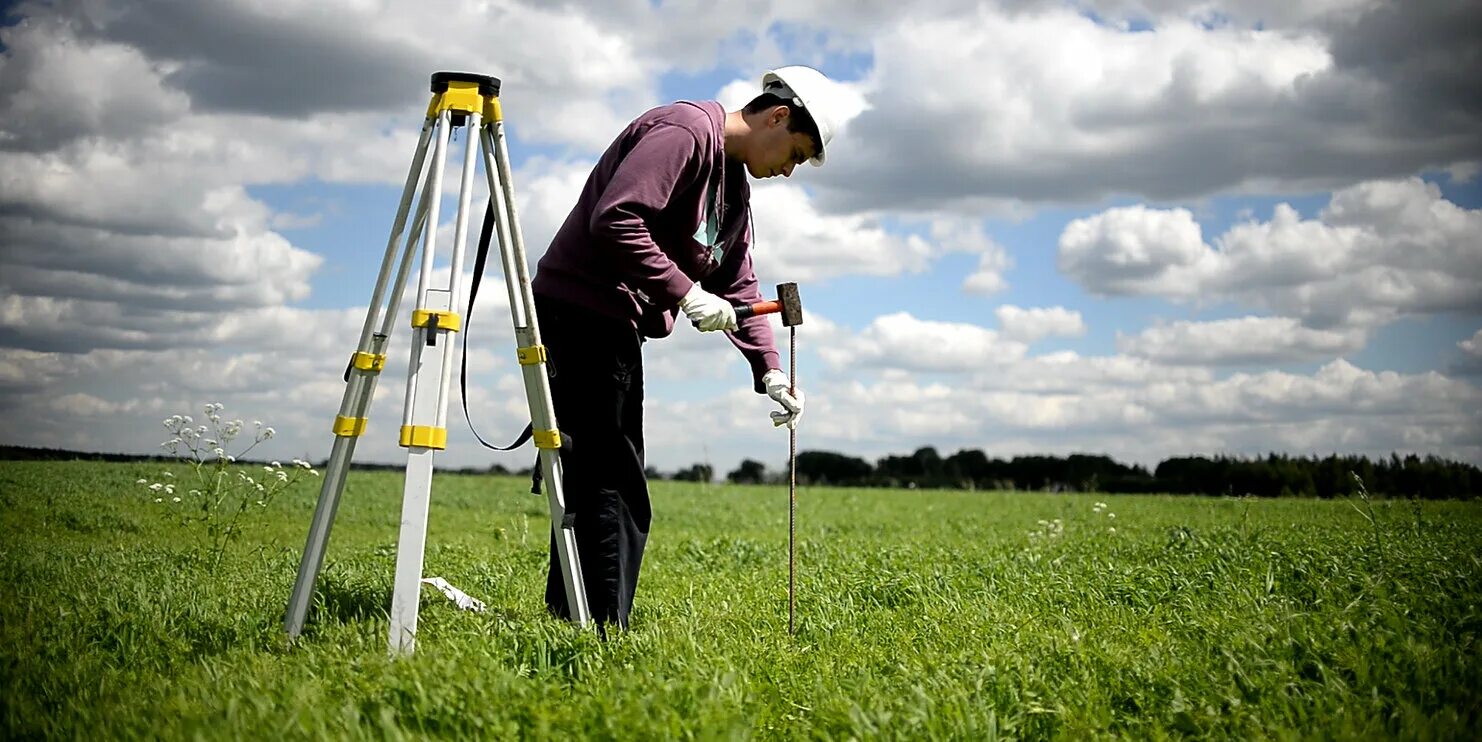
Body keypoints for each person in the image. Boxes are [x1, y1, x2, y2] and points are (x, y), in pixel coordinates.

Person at [529, 66, 844, 631]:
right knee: (612, 479)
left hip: (612, 324)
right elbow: (617, 219)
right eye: (794, 153)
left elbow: (740, 283)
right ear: (777, 116)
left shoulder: (733, 186)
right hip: (579, 310)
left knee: (597, 471)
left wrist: (769, 370)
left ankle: (570, 616)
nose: (789, 171)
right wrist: (686, 294)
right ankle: (600, 630)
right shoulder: (684, 133)